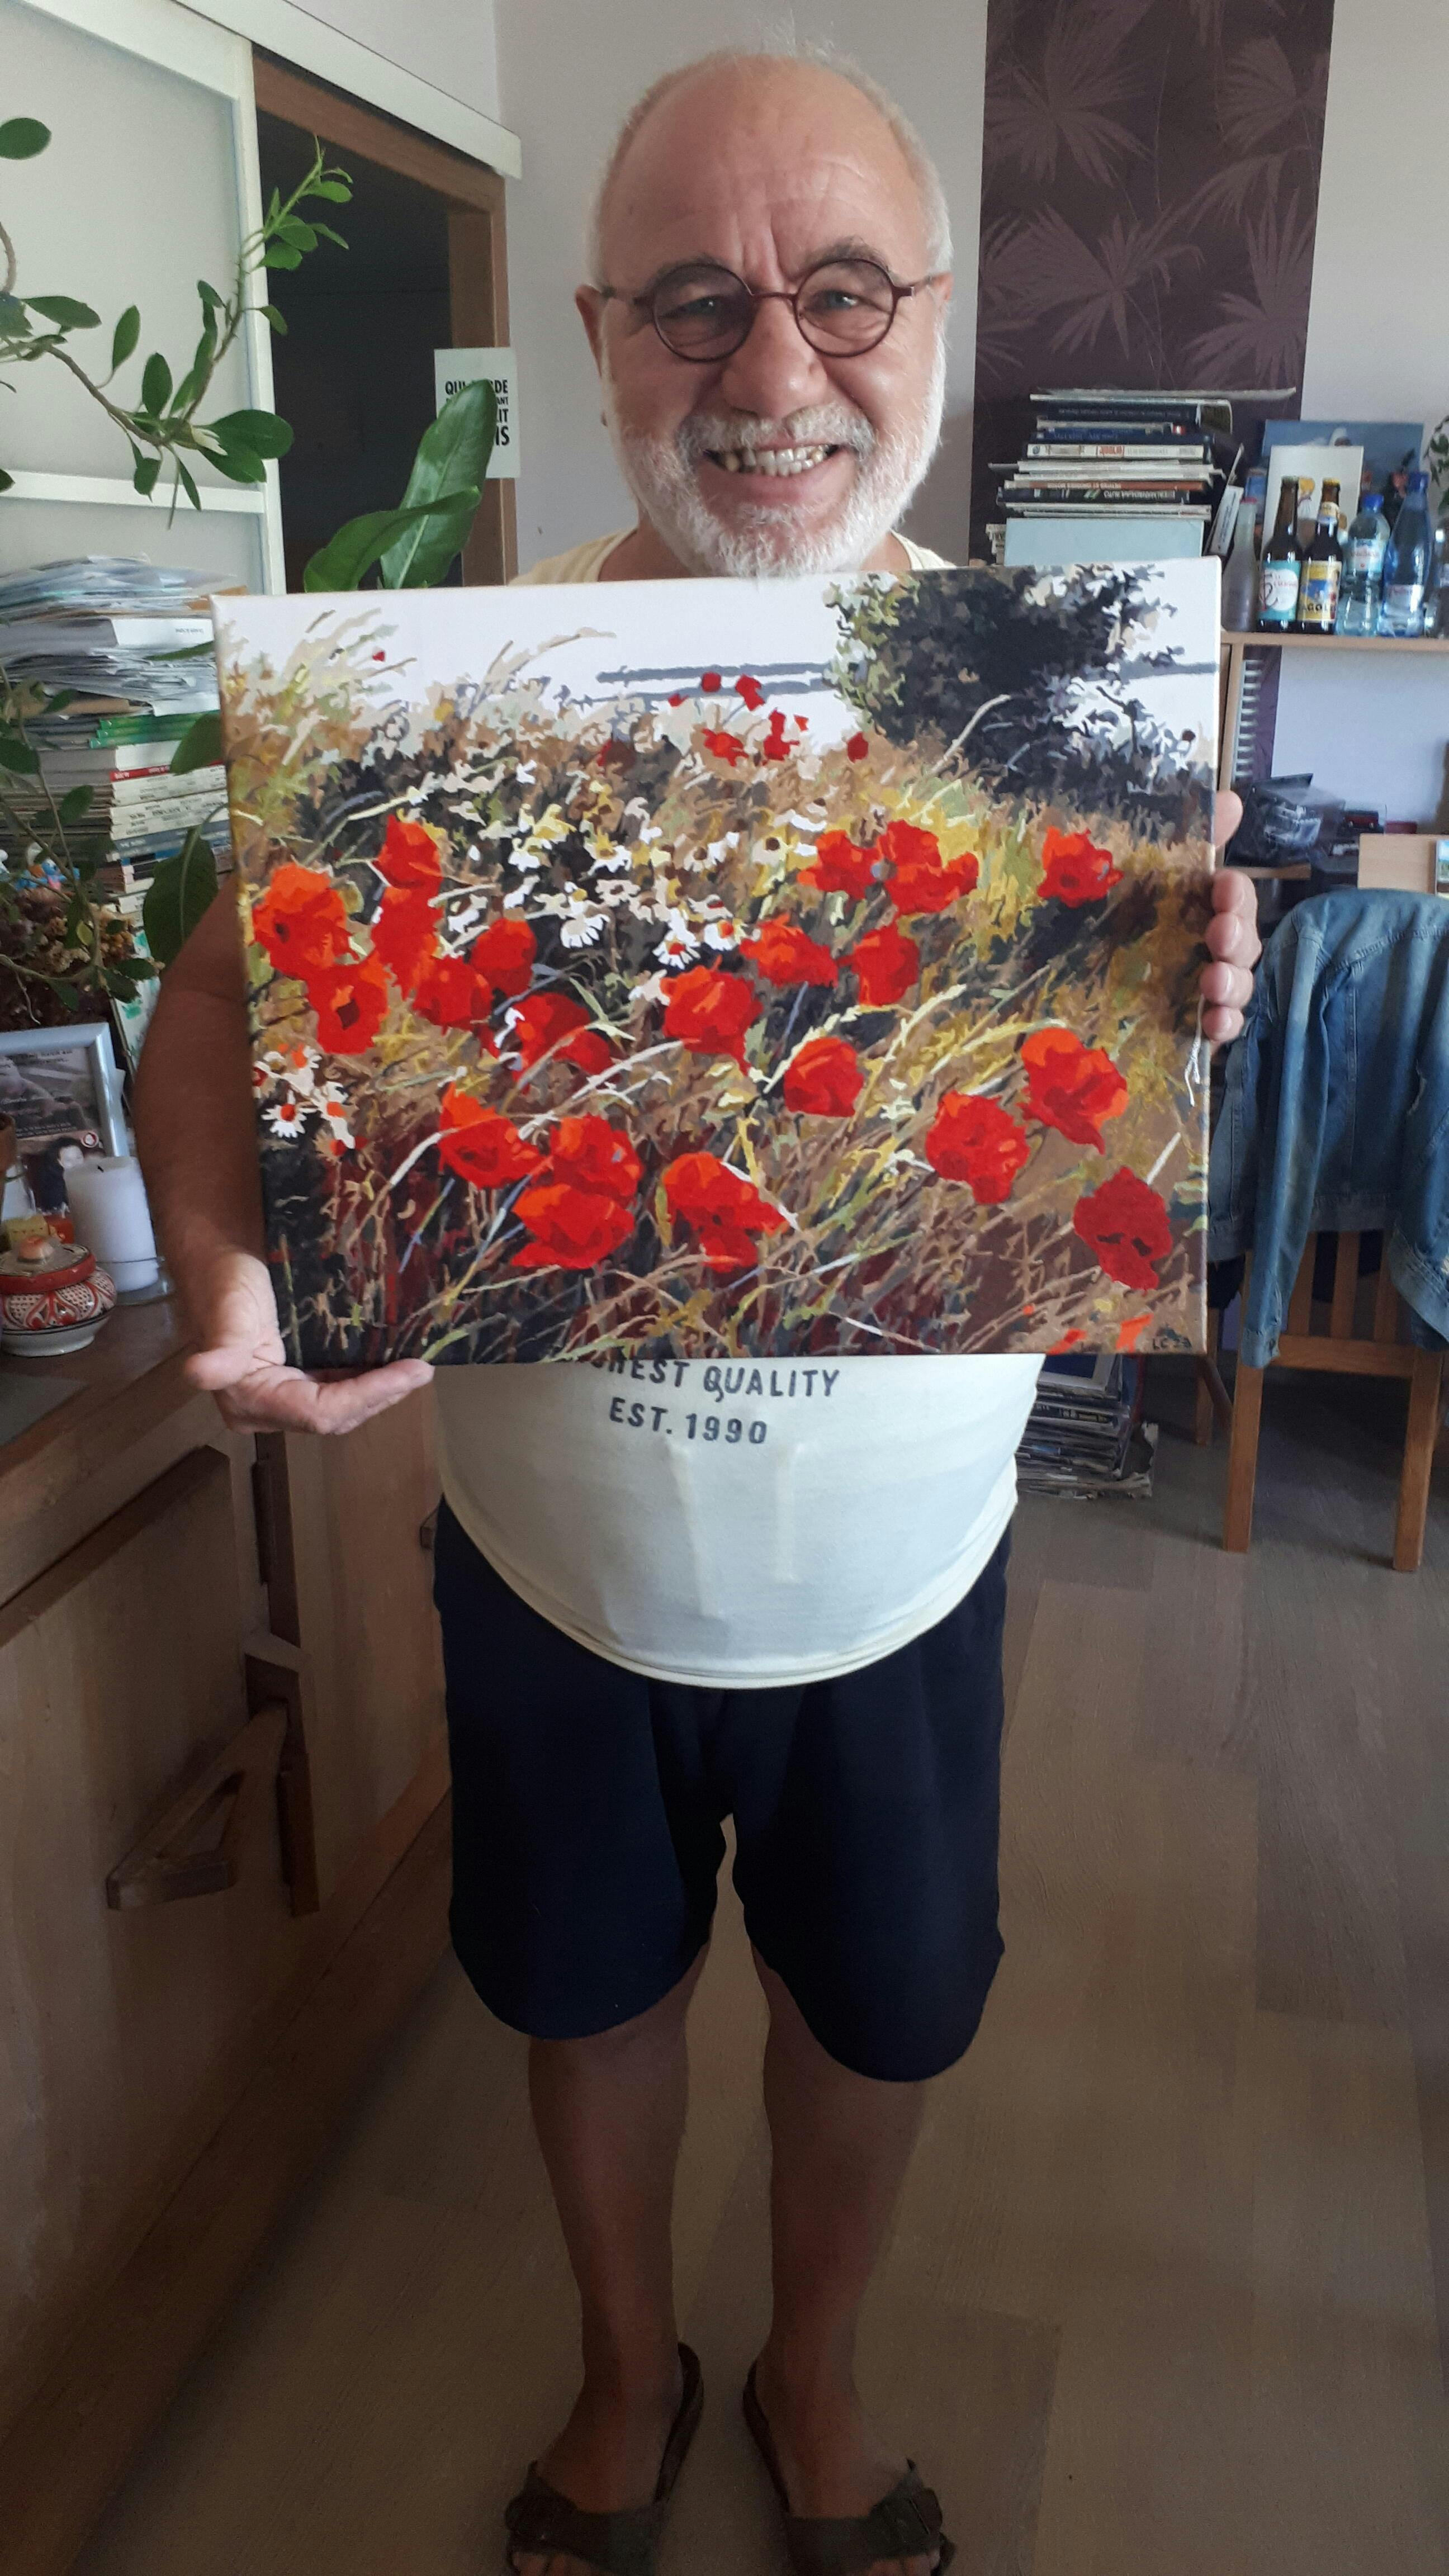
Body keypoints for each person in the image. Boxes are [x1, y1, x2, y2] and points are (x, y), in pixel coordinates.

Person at [135, 50, 1259, 2576]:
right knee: (584, 1997)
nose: (773, 371)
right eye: (693, 302)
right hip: (554, 1581)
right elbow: (214, 1001)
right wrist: (228, 1279)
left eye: (844, 292)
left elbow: (1100, 1091)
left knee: (882, 2014)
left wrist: (1191, 976)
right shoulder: (438, 684)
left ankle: (812, 2374)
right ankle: (625, 2371)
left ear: (936, 318)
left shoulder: (1059, 701)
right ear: (599, 336)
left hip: (908, 1580)